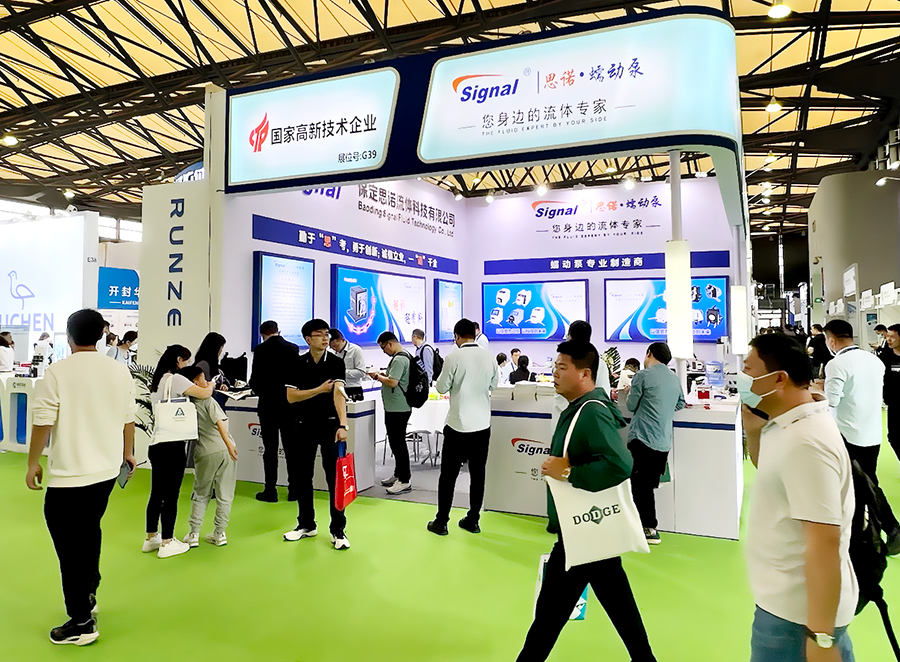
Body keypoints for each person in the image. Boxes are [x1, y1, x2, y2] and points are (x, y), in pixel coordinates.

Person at [516, 341, 656, 662]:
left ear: (585, 373)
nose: (555, 373)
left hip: (584, 529)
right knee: (611, 608)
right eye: (555, 366)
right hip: (586, 530)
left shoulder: (591, 412)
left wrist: (568, 471)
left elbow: (620, 464)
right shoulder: (581, 408)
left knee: (549, 619)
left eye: (562, 367)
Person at [740, 333, 857, 661]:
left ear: (779, 378)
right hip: (783, 606)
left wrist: (821, 637)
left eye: (748, 370)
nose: (742, 378)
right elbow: (772, 472)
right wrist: (753, 432)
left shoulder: (806, 442)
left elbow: (824, 541)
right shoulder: (786, 421)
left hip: (796, 617)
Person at [25, 309, 136, 646]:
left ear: (69, 335)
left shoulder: (58, 372)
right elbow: (128, 417)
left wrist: (32, 463)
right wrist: (128, 453)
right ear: (101, 335)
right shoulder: (119, 371)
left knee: (70, 549)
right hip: (106, 471)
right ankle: (89, 591)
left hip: (70, 475)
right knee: (89, 530)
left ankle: (81, 622)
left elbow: (43, 421)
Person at [823, 319, 900, 552]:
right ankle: (872, 533)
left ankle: (890, 529)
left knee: (864, 484)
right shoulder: (874, 360)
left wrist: (818, 392)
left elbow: (832, 401)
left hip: (848, 433)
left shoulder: (836, 364)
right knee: (863, 483)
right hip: (872, 431)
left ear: (831, 340)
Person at [283, 319, 351, 551]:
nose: (325, 338)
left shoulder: (335, 362)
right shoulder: (296, 363)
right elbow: (291, 396)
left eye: (327, 334)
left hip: (331, 425)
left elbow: (339, 394)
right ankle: (306, 524)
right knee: (303, 476)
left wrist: (343, 424)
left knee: (334, 479)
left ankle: (338, 530)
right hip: (303, 425)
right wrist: (319, 390)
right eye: (320, 334)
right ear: (307, 339)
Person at [428, 318, 499, 536]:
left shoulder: (453, 357)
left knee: (448, 476)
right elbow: (494, 385)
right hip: (482, 425)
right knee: (478, 475)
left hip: (458, 425)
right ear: (475, 334)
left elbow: (441, 387)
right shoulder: (489, 357)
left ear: (457, 336)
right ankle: (473, 519)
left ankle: (441, 522)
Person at [144, 344, 214, 559]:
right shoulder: (175, 379)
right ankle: (167, 541)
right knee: (171, 495)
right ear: (178, 360)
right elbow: (204, 393)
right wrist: (212, 383)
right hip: (173, 446)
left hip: (157, 443)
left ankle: (151, 537)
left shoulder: (158, 381)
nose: (187, 364)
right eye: (186, 360)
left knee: (157, 493)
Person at [621, 341, 685, 545]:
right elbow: (680, 403)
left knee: (639, 486)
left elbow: (631, 405)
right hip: (662, 441)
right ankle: (645, 526)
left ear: (649, 353)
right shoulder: (674, 378)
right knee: (646, 485)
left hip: (642, 437)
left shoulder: (642, 376)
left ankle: (648, 528)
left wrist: (630, 392)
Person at [180, 366, 238, 548]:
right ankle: (220, 533)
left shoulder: (187, 404)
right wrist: (229, 444)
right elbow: (220, 423)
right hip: (225, 450)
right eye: (203, 378)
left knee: (201, 493)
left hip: (203, 451)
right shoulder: (208, 401)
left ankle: (193, 534)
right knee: (225, 494)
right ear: (195, 382)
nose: (206, 382)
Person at [249, 320, 300, 502]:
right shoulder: (293, 348)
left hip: (268, 406)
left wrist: (259, 390)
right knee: (291, 449)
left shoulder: (260, 350)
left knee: (270, 450)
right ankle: (294, 490)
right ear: (278, 330)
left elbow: (255, 381)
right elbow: (297, 378)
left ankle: (270, 490)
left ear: (262, 334)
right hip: (289, 405)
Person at [369, 331, 413, 495]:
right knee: (396, 443)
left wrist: (377, 376)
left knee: (398, 444)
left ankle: (405, 480)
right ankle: (398, 474)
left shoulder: (400, 359)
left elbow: (393, 382)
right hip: (396, 406)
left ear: (390, 343)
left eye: (383, 348)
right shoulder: (402, 356)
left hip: (398, 408)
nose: (384, 351)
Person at [565, 320, 612, 394]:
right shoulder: (600, 363)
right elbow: (604, 391)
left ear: (569, 336)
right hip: (592, 401)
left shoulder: (562, 361)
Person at [329, 328, 366, 400]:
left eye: (335, 346)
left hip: (353, 389)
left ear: (340, 340)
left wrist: (341, 372)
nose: (334, 349)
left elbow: (362, 372)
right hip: (337, 388)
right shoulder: (332, 352)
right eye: (331, 347)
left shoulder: (355, 350)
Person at [882, 324, 900, 465]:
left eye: (892, 337)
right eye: (887, 336)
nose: (888, 340)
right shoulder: (885, 355)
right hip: (893, 404)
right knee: (893, 437)